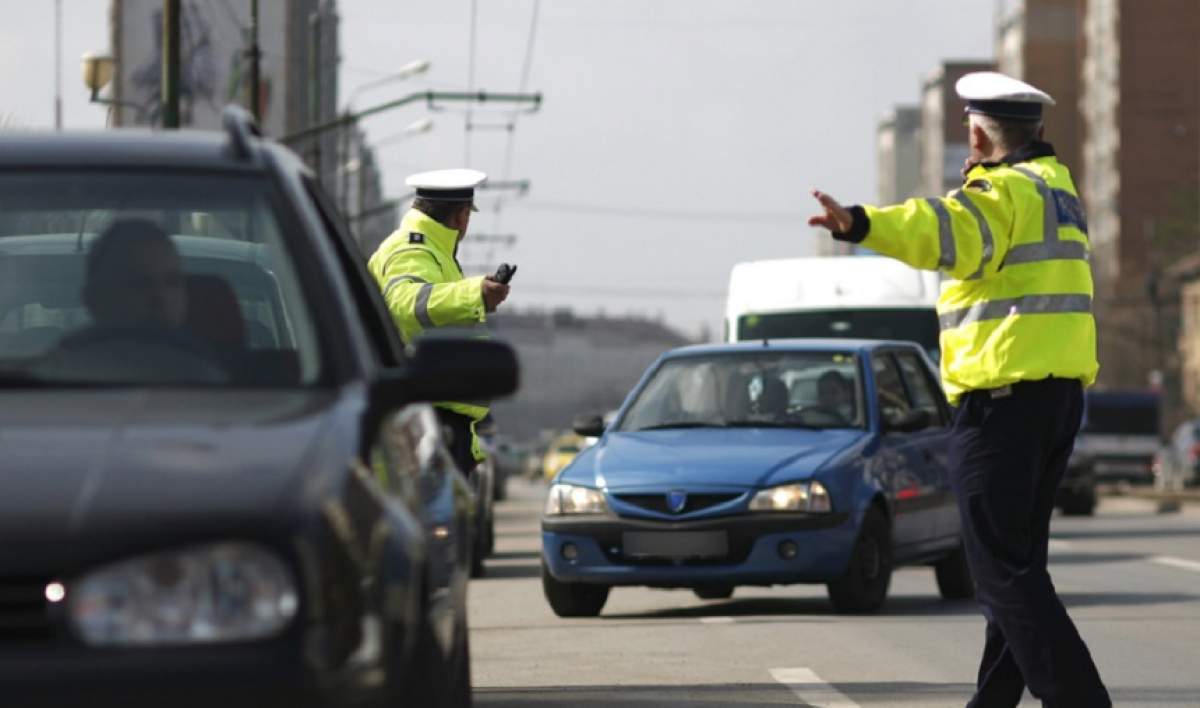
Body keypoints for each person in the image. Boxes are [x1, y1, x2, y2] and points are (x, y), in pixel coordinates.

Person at [807, 72, 1109, 708]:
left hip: (1002, 406)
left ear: (977, 132)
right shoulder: (1057, 190)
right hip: (1055, 400)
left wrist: (861, 224)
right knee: (1016, 572)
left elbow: (939, 229)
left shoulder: (998, 194)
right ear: (1037, 131)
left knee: (1000, 576)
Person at [367, 168, 510, 474]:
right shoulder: (412, 249)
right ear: (461, 217)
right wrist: (475, 294)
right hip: (428, 422)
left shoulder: (431, 251)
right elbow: (405, 302)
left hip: (434, 420)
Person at [83, 218, 187, 329]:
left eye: (172, 282)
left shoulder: (196, 346)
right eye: (141, 284)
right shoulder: (74, 347)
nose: (160, 297)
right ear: (97, 299)